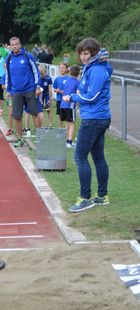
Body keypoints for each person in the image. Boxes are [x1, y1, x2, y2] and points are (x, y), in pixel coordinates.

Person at [63, 38, 112, 212]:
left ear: (93, 53)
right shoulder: (91, 67)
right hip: (96, 117)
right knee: (98, 157)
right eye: (81, 53)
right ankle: (102, 196)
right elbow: (87, 91)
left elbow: (92, 96)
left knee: (79, 157)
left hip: (94, 119)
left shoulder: (97, 69)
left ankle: (85, 198)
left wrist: (73, 97)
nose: (83, 57)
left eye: (86, 53)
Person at [5, 36, 41, 147]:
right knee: (17, 116)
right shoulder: (9, 58)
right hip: (16, 91)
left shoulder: (27, 55)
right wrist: (8, 89)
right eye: (12, 45)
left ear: (20, 45)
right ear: (10, 46)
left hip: (29, 89)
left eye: (16, 44)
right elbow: (8, 74)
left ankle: (40, 138)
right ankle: (20, 138)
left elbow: (36, 71)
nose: (15, 46)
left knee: (34, 113)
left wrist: (38, 86)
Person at [60, 65, 81, 148]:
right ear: (78, 74)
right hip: (70, 105)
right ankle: (69, 142)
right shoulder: (77, 82)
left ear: (69, 72)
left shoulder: (66, 81)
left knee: (67, 124)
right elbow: (78, 94)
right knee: (71, 124)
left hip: (63, 104)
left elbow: (63, 91)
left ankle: (66, 141)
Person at [53, 62, 70, 127]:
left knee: (66, 115)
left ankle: (67, 129)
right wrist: (57, 90)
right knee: (60, 115)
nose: (62, 69)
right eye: (60, 68)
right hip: (59, 99)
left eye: (63, 68)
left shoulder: (69, 78)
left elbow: (71, 88)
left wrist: (64, 91)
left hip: (66, 100)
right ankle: (60, 129)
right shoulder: (57, 79)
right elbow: (54, 89)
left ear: (66, 69)